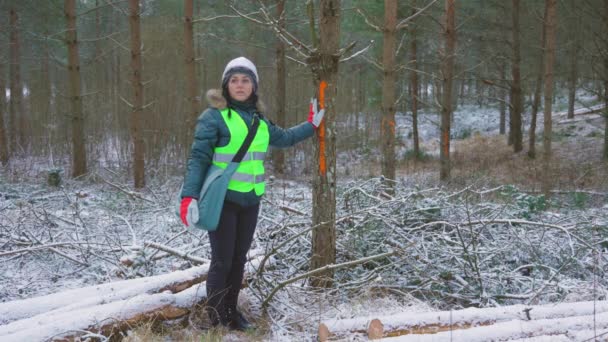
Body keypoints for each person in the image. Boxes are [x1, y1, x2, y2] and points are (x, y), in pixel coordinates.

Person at [179, 56, 324, 330]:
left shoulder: (259, 120)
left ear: (254, 86)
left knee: (238, 259)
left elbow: (285, 138)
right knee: (221, 261)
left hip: (250, 200)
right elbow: (198, 158)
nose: (240, 85)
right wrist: (189, 196)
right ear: (226, 85)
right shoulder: (214, 118)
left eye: (246, 80)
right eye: (234, 80)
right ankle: (217, 318)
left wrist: (311, 125)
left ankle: (233, 314)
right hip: (224, 199)